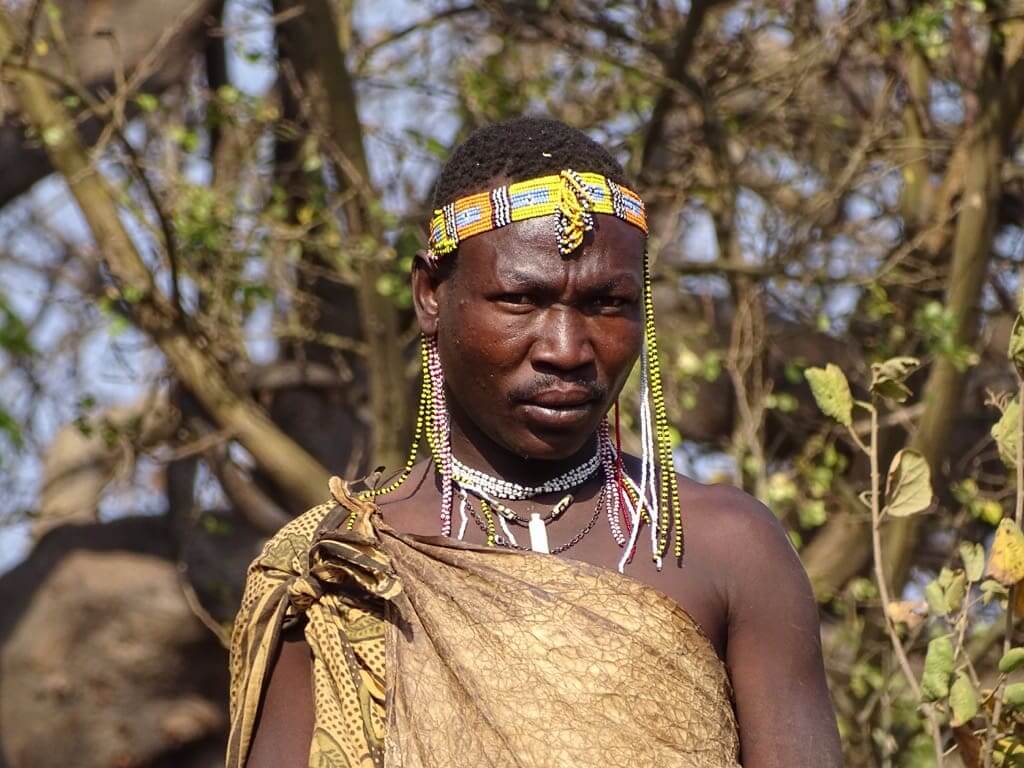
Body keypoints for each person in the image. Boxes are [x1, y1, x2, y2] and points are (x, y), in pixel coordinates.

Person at [227, 117, 842, 768]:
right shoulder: (336, 571)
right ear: (430, 294)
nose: (567, 350)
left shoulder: (729, 549)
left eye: (607, 303)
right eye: (521, 298)